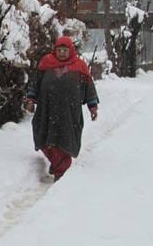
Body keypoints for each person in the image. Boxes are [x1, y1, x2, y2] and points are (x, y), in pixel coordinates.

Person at [24, 36, 99, 181]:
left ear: (70, 50)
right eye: (59, 50)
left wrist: (93, 107)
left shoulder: (80, 66)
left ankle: (61, 171)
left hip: (69, 114)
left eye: (65, 50)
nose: (62, 53)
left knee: (64, 141)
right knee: (45, 139)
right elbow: (35, 83)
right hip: (47, 111)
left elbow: (89, 88)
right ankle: (57, 164)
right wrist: (30, 100)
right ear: (55, 50)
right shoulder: (46, 63)